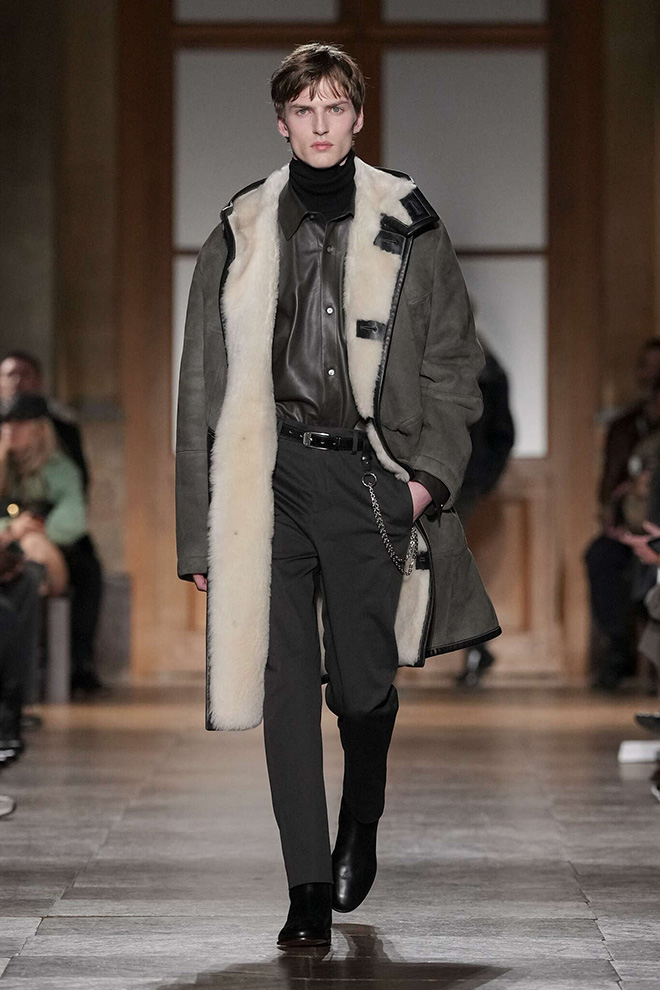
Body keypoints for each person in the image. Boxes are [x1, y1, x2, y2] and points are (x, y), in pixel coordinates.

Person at [175, 43, 500, 949]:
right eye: (303, 110)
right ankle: (307, 887)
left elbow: (454, 362)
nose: (319, 125)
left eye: (334, 108)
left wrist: (424, 483)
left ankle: (364, 808)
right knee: (285, 683)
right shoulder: (241, 227)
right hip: (267, 479)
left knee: (360, 686)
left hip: (369, 478)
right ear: (281, 123)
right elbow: (200, 386)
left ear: (358, 117)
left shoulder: (410, 223)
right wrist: (200, 535)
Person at [0, 353, 104, 693]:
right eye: (6, 422)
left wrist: (34, 531)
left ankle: (77, 665)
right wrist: (12, 530)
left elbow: (74, 510)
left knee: (80, 570)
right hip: (10, 542)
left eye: (19, 422)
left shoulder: (59, 461)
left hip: (51, 543)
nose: (10, 429)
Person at [585, 340, 660, 691]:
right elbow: (608, 488)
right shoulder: (625, 427)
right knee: (601, 556)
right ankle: (619, 650)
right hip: (630, 526)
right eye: (648, 368)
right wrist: (630, 491)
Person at [454, 338, 515, 687]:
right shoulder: (423, 352)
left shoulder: (489, 371)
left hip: (461, 481)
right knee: (445, 564)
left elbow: (502, 434)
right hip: (423, 477)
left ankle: (477, 646)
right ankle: (478, 646)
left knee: (448, 563)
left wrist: (482, 478)